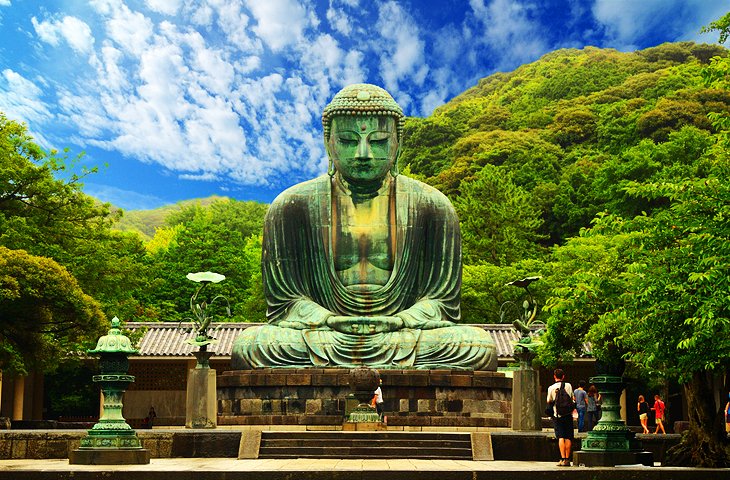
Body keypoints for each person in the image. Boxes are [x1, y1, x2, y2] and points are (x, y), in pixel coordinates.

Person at [231, 84, 497, 370]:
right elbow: (286, 303)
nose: (363, 153)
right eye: (347, 140)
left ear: (398, 144)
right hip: (325, 333)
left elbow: (440, 302)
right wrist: (328, 319)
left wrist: (401, 320)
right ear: (328, 143)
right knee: (252, 346)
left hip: (402, 333)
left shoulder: (432, 206)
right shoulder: (292, 206)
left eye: (379, 141)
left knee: (476, 346)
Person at [547, 368, 574, 466]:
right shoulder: (568, 385)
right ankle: (567, 459)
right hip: (568, 414)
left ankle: (562, 459)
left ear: (554, 376)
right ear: (563, 376)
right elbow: (571, 398)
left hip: (557, 415)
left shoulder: (551, 388)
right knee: (568, 437)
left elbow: (549, 401)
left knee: (561, 437)